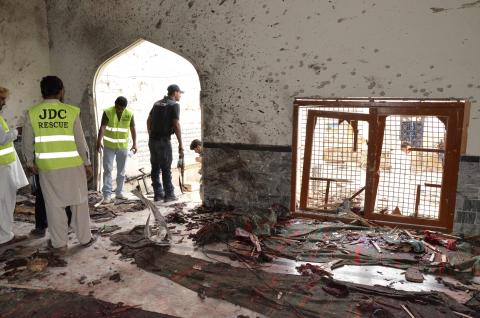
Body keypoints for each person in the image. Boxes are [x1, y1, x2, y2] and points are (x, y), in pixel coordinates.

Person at [22, 76, 95, 250]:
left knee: (54, 206)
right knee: (79, 203)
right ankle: (85, 239)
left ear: (42, 92)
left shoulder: (32, 113)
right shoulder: (71, 111)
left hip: (48, 169)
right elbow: (80, 141)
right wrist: (87, 163)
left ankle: (59, 243)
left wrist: (30, 162)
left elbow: (26, 142)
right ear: (61, 91)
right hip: (73, 167)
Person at [0, 86, 29, 246]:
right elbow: (2, 139)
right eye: (2, 99)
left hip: (4, 166)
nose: (4, 103)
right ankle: (6, 236)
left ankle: (4, 234)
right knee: (5, 202)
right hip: (2, 167)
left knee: (4, 202)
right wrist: (16, 131)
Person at [96, 96, 137, 203]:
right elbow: (103, 127)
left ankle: (119, 192)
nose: (120, 110)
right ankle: (107, 195)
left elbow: (132, 129)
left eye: (122, 108)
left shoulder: (129, 114)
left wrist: (135, 144)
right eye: (119, 108)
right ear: (115, 105)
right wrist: (98, 141)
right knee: (108, 169)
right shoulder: (108, 112)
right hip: (109, 146)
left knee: (121, 171)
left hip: (123, 146)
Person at [147, 84, 184, 202]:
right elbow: (176, 125)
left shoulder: (157, 103)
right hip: (164, 140)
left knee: (155, 167)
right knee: (166, 167)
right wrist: (180, 144)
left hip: (153, 140)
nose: (180, 96)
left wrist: (150, 134)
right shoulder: (174, 105)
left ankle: (158, 194)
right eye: (180, 93)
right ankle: (169, 194)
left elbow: (149, 120)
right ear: (175, 93)